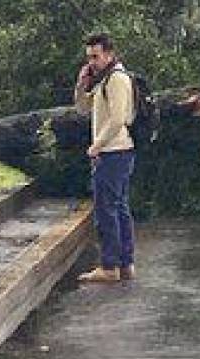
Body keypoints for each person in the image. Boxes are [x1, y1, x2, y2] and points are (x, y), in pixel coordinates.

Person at [74, 33, 137, 283]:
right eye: (89, 57)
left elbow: (118, 118)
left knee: (107, 210)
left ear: (109, 54)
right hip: (111, 151)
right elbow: (82, 109)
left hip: (114, 151)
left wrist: (96, 146)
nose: (92, 62)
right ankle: (124, 264)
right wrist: (81, 84)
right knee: (118, 207)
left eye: (96, 56)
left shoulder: (118, 79)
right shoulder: (103, 81)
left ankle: (110, 265)